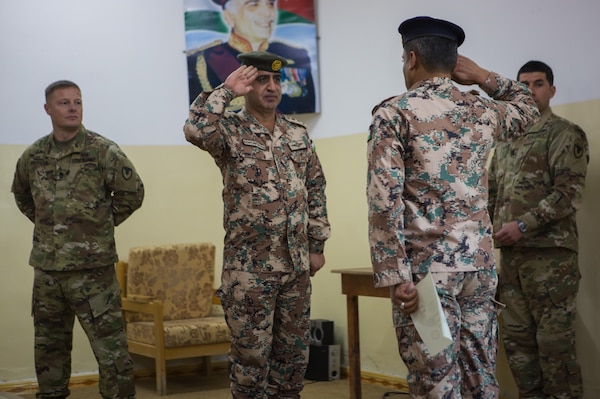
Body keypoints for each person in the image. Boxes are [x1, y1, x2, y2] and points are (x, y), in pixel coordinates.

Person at [366, 16, 539, 398]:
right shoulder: (482, 110)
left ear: (411, 58)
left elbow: (384, 200)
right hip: (479, 267)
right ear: (453, 60)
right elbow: (527, 107)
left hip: (429, 278)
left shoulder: (394, 113)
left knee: (437, 382)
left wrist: (395, 276)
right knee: (481, 377)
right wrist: (484, 76)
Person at [183, 51, 330, 398]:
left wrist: (317, 245)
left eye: (277, 80)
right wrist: (226, 90)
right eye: (262, 79)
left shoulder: (297, 133)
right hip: (249, 272)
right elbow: (195, 128)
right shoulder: (229, 131)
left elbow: (316, 187)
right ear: (246, 85)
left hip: (295, 268)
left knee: (293, 363)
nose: (271, 87)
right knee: (251, 365)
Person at [11, 80, 144, 399]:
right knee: (49, 352)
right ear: (48, 109)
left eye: (77, 102)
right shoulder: (33, 155)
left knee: (111, 353)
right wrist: (51, 229)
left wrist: (97, 228)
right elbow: (22, 196)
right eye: (64, 103)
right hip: (48, 274)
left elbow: (133, 194)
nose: (73, 108)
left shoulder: (103, 150)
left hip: (93, 273)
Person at [488, 61, 588, 399]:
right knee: (518, 347)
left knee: (555, 349)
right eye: (524, 84)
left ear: (552, 90)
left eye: (539, 83)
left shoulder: (565, 134)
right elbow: (490, 196)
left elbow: (568, 194)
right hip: (512, 263)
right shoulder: (504, 141)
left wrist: (522, 225)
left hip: (551, 261)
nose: (531, 91)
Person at [186, 0, 316, 114]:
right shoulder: (201, 61)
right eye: (253, 4)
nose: (268, 14)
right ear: (228, 16)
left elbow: (307, 106)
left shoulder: (296, 57)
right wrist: (228, 91)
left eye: (270, 4)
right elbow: (197, 128)